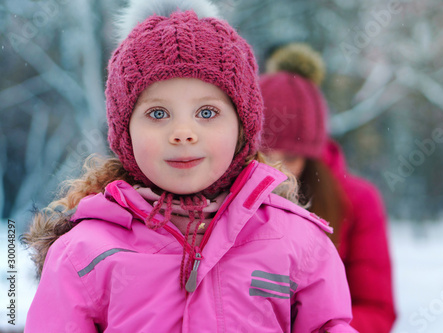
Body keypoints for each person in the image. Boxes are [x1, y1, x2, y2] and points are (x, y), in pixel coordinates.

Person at [22, 2, 358, 332]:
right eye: (158, 114)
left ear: (243, 127)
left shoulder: (296, 243)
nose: (183, 133)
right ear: (125, 131)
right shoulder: (83, 255)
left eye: (207, 113)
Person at [259, 43, 397, 333]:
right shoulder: (222, 201)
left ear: (311, 156)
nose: (276, 170)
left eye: (291, 157)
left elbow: (376, 309)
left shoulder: (357, 201)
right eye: (264, 154)